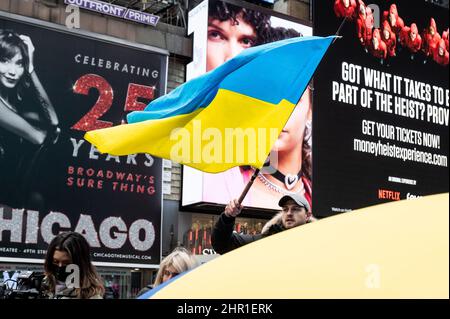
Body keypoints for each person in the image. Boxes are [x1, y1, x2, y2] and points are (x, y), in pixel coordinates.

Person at [202, 1, 313, 211]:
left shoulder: (318, 191)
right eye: (266, 98)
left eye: (292, 100)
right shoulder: (221, 181)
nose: (278, 113)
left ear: (310, 109)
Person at [0, 29, 59, 208]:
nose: (13, 72)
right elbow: (40, 137)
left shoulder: (14, 101)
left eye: (19, 64)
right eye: (4, 61)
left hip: (12, 198)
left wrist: (31, 69)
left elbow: (54, 123)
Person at [212, 193, 313, 254]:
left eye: (295, 209)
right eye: (285, 209)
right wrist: (227, 217)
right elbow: (223, 245)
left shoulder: (318, 242)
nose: (289, 213)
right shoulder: (266, 239)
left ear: (307, 215)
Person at [42, 232, 104, 299]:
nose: (60, 266)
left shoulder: (92, 296)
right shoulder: (43, 284)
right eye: (55, 262)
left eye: (67, 263)